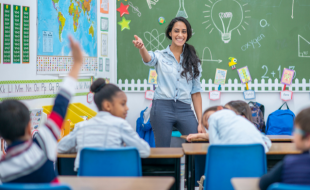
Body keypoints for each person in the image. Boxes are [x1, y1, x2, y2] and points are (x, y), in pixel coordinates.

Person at [0, 36, 83, 183]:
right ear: (29, 127)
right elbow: (60, 105)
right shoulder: (43, 144)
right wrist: (77, 64)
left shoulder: (3, 168)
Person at [132, 17, 203, 147]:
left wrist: (200, 122)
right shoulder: (160, 55)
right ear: (170, 33)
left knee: (197, 144)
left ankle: (195, 168)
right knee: (162, 148)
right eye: (176, 31)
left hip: (184, 108)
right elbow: (148, 59)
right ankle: (164, 168)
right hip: (162, 107)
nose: (180, 35)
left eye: (184, 31)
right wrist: (142, 48)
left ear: (187, 34)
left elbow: (196, 93)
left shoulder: (194, 61)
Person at [58, 78, 151, 171]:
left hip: (85, 182)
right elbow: (145, 151)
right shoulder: (120, 125)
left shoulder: (82, 126)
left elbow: (59, 148)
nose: (127, 108)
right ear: (107, 106)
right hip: (113, 179)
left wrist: (81, 147)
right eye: (122, 104)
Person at [259, 107, 310, 190]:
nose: (292, 133)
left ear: (308, 138)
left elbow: (263, 183)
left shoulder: (289, 163)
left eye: (295, 130)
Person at [186, 104, 271, 152]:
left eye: (207, 118)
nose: (209, 123)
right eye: (208, 126)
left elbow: (215, 145)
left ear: (219, 108)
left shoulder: (215, 118)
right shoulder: (238, 119)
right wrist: (198, 136)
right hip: (258, 151)